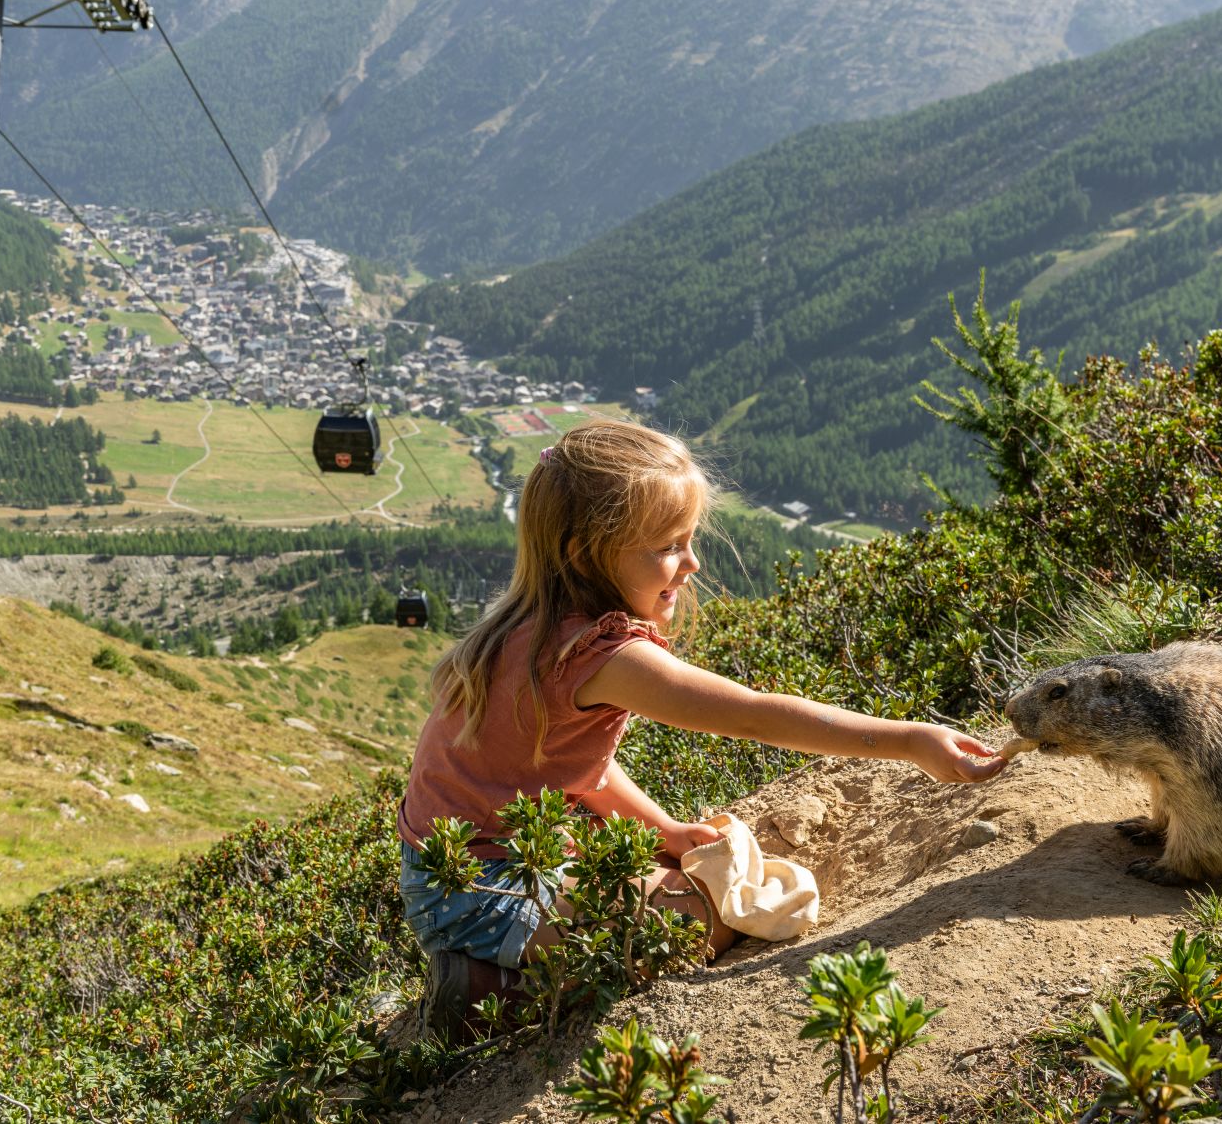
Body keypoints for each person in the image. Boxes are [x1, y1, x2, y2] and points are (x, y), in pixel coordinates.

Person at [396, 419, 1007, 1039]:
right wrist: (908, 740)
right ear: (585, 554)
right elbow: (752, 712)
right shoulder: (603, 655)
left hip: (444, 874)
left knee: (682, 870)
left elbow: (580, 766)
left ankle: (501, 959)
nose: (690, 562)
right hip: (485, 896)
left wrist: (659, 829)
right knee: (703, 919)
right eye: (667, 546)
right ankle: (487, 996)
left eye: (688, 540)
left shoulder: (526, 627)